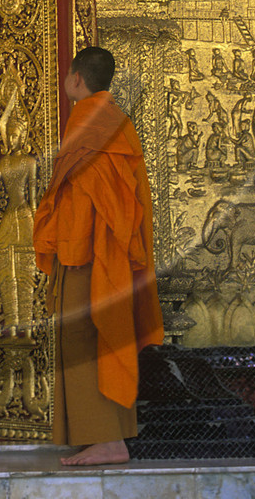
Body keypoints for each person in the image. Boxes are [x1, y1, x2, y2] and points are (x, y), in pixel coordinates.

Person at [34, 47, 162, 467]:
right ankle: (106, 436)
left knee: (84, 339)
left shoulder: (87, 117)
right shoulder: (118, 121)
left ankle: (107, 441)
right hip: (110, 253)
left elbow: (85, 197)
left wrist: (65, 244)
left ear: (75, 79)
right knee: (104, 337)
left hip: (88, 253)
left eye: (66, 76)